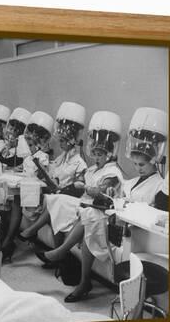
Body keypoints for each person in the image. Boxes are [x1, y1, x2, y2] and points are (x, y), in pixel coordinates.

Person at [66, 107, 167, 302]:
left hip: (137, 233)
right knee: (91, 220)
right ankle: (83, 280)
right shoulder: (131, 182)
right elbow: (120, 198)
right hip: (120, 224)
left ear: (154, 162)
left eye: (142, 165)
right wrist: (114, 194)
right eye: (135, 165)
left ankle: (81, 279)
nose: (138, 169)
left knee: (92, 219)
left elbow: (152, 212)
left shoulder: (159, 185)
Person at [18, 111, 124, 268]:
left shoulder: (112, 172)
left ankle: (53, 248)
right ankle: (52, 249)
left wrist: (81, 186)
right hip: (84, 203)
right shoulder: (92, 169)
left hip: (98, 211)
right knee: (55, 200)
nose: (96, 158)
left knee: (58, 201)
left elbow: (99, 191)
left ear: (109, 154)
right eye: (94, 154)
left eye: (99, 154)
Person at [0, 110, 54, 262]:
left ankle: (9, 240)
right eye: (28, 144)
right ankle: (7, 238)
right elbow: (21, 170)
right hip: (29, 190)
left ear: (39, 144)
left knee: (16, 200)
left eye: (31, 145)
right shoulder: (29, 158)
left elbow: (41, 177)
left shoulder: (42, 158)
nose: (29, 148)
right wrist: (13, 172)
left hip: (38, 193)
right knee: (12, 198)